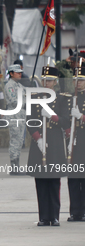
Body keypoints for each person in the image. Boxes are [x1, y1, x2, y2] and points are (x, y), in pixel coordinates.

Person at [26, 66, 69, 226]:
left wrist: (53, 117)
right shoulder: (34, 98)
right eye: (44, 80)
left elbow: (66, 121)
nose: (46, 83)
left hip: (55, 143)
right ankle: (44, 216)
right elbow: (29, 121)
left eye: (49, 80)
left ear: (55, 82)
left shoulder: (62, 99)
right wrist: (37, 139)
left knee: (54, 181)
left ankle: (55, 216)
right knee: (41, 181)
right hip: (40, 143)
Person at [67, 65, 85, 221]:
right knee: (73, 178)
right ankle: (74, 211)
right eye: (75, 80)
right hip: (72, 143)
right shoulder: (69, 97)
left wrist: (81, 117)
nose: (77, 83)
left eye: (80, 80)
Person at [4, 64, 26, 174]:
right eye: (17, 72)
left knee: (20, 141)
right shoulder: (10, 86)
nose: (20, 74)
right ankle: (14, 166)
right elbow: (14, 101)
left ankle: (17, 165)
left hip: (21, 116)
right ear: (11, 73)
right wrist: (26, 102)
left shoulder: (19, 86)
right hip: (14, 116)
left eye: (20, 72)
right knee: (15, 142)